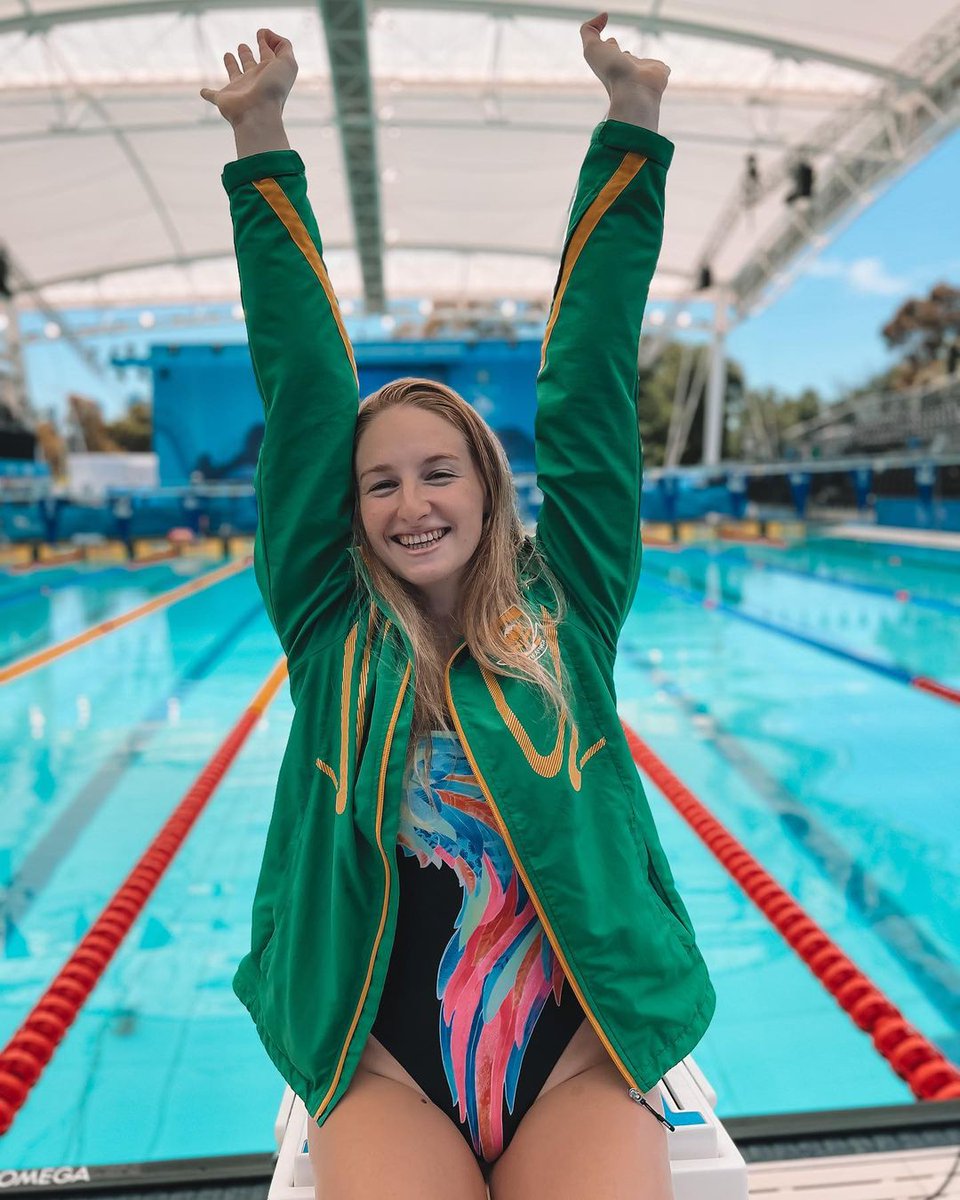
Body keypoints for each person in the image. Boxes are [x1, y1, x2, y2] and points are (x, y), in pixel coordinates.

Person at [202, 16, 716, 1199]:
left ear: (489, 487)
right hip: (382, 1054)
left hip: (575, 1043)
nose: (411, 502)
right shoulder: (329, 626)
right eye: (380, 482)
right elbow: (303, 383)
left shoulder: (568, 604)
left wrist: (630, 129)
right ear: (352, 508)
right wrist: (262, 139)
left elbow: (588, 380)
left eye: (439, 472)